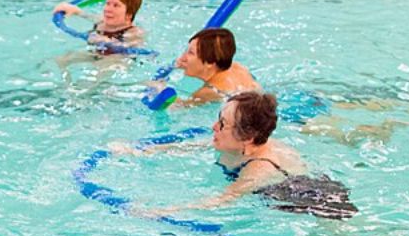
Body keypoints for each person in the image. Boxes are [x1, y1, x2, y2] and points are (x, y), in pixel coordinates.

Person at [130, 92, 357, 219]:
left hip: (315, 204)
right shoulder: (239, 142)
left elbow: (223, 200)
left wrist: (160, 212)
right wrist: (141, 151)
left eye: (222, 124)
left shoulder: (259, 168)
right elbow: (194, 146)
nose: (213, 127)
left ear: (247, 137)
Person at [164, 27, 259, 107]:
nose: (182, 57)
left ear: (210, 63)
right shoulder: (237, 67)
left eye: (190, 53)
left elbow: (179, 106)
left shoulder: (209, 92)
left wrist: (160, 90)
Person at [52, 0, 145, 51]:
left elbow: (132, 50)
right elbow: (87, 16)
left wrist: (108, 42)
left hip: (116, 59)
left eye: (116, 5)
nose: (108, 9)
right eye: (108, 3)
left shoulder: (134, 32)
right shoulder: (102, 21)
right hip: (96, 52)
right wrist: (75, 10)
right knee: (62, 60)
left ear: (128, 15)